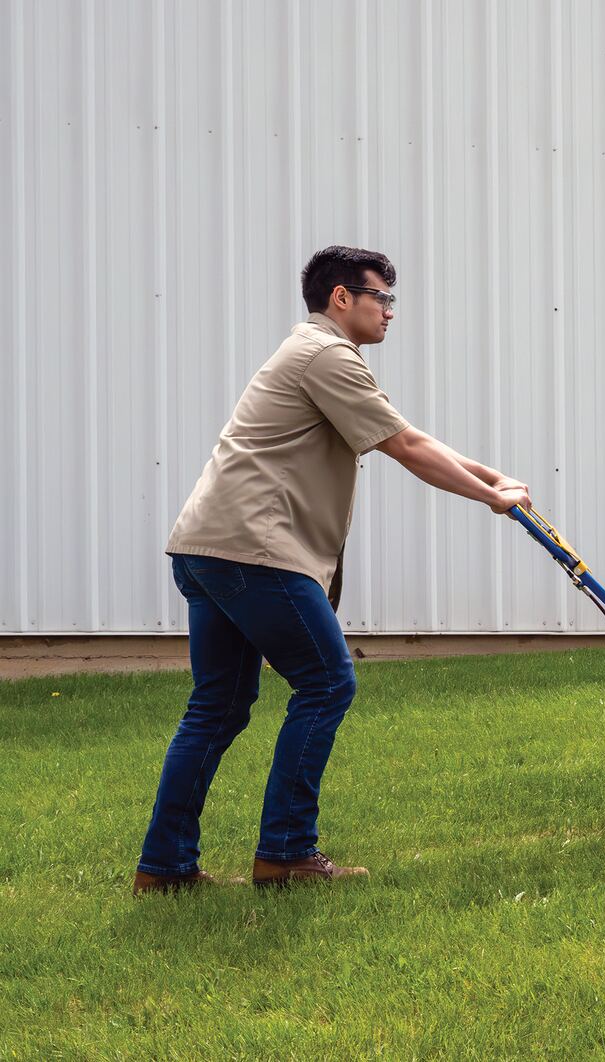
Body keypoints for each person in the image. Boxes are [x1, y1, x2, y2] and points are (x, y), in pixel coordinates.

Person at [133, 245, 530, 894]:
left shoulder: (315, 355)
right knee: (326, 683)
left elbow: (407, 432)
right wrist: (491, 499)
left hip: (208, 547)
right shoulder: (326, 354)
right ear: (341, 297)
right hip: (252, 551)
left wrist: (493, 477)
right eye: (383, 298)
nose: (391, 313)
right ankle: (287, 854)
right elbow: (403, 447)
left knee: (218, 707)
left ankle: (165, 868)